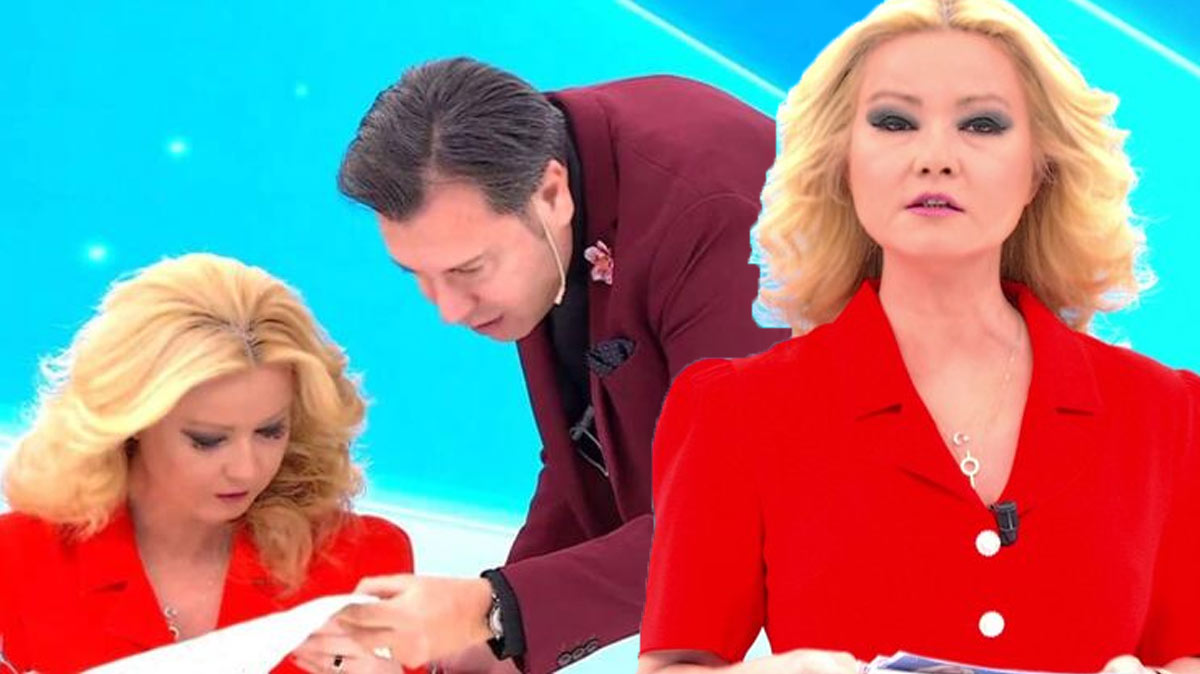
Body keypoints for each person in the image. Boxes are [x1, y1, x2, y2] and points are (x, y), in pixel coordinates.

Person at [637, 1, 1199, 673]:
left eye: (982, 124)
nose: (935, 159)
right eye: (894, 122)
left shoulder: (1168, 416)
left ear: (1040, 168)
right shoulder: (735, 411)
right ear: (842, 160)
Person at [324, 58, 790, 674]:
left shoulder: (720, 213)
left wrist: (492, 608)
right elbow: (591, 453)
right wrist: (495, 644)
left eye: (468, 270)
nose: (450, 310)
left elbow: (742, 520)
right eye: (419, 275)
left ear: (551, 192)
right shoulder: (534, 185)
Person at [0, 253, 425, 674]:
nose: (245, 469)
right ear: (132, 422)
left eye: (270, 431)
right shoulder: (17, 559)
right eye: (208, 440)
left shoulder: (362, 560)